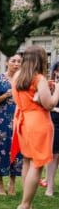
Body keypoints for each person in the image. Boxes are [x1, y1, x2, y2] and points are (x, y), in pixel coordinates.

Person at [12, 45, 59, 209]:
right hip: (38, 122)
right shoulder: (39, 78)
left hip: (22, 121)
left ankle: (25, 200)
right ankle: (25, 204)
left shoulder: (17, 76)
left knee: (27, 160)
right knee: (37, 164)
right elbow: (50, 104)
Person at [0, 53, 23, 196]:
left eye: (19, 61)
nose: (16, 64)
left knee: (17, 150)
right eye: (13, 61)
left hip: (19, 119)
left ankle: (12, 181)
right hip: (3, 119)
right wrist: (6, 95)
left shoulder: (23, 80)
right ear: (7, 62)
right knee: (2, 149)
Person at [45, 61, 59, 197]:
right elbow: (46, 103)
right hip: (55, 120)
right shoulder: (51, 85)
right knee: (54, 155)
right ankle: (50, 186)